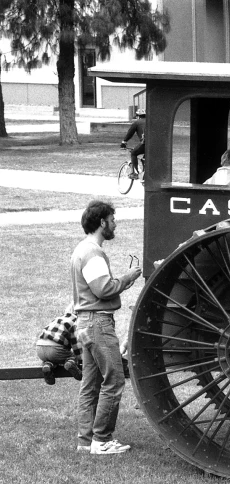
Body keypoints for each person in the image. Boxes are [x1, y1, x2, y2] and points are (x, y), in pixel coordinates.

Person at [72, 200, 142, 455]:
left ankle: (85, 441)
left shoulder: (81, 249)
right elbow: (102, 288)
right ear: (102, 222)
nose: (115, 224)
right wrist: (127, 278)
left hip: (85, 323)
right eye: (113, 219)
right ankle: (102, 440)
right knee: (114, 379)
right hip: (98, 323)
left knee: (90, 384)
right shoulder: (93, 252)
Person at [36, 305, 82, 385]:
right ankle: (71, 363)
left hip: (39, 347)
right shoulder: (75, 322)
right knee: (71, 357)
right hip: (55, 348)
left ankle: (47, 366)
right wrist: (80, 359)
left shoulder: (58, 319)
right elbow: (76, 344)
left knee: (52, 359)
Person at [120, 108, 146, 179]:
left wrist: (124, 142)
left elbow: (130, 133)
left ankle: (135, 173)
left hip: (145, 143)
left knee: (133, 153)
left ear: (137, 116)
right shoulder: (151, 121)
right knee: (145, 158)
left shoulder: (137, 123)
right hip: (156, 144)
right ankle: (144, 173)